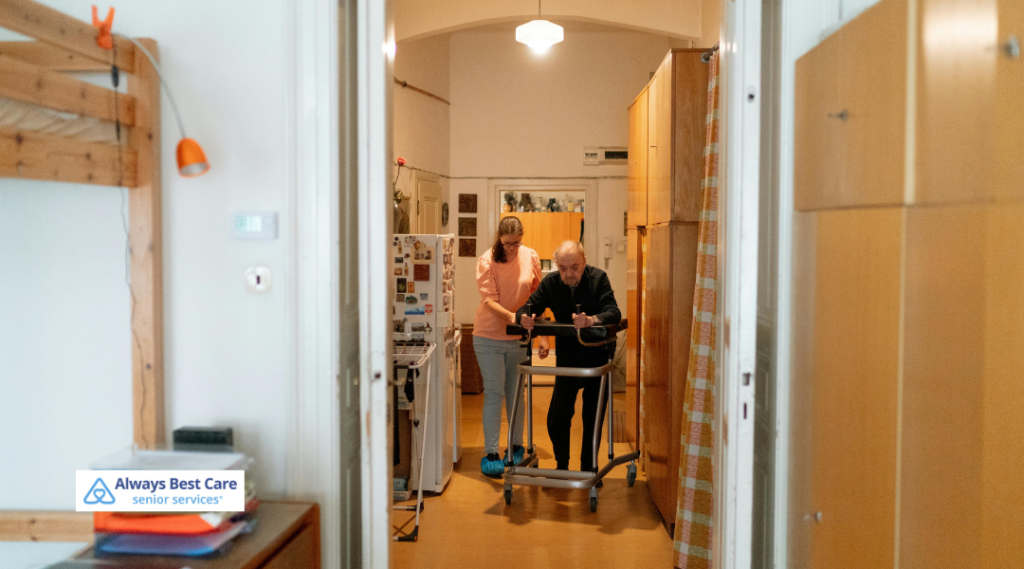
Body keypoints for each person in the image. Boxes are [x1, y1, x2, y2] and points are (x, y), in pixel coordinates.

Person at [516, 240, 620, 472]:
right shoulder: (551, 282)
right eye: (562, 268)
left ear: (584, 262)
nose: (568, 273)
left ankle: (588, 468)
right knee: (557, 418)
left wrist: (592, 320)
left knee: (591, 419)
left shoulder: (598, 278)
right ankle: (562, 464)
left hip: (596, 358)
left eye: (574, 267)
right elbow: (528, 308)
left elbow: (613, 311)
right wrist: (523, 318)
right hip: (567, 360)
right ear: (556, 266)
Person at [473, 216, 546, 477]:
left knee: (516, 394)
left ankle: (516, 446)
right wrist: (512, 317)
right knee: (494, 393)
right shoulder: (487, 260)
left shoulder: (531, 257)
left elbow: (539, 297)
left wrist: (543, 335)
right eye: (508, 244)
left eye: (517, 243)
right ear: (499, 239)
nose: (513, 249)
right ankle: (491, 451)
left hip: (519, 338)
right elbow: (489, 301)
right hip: (489, 336)